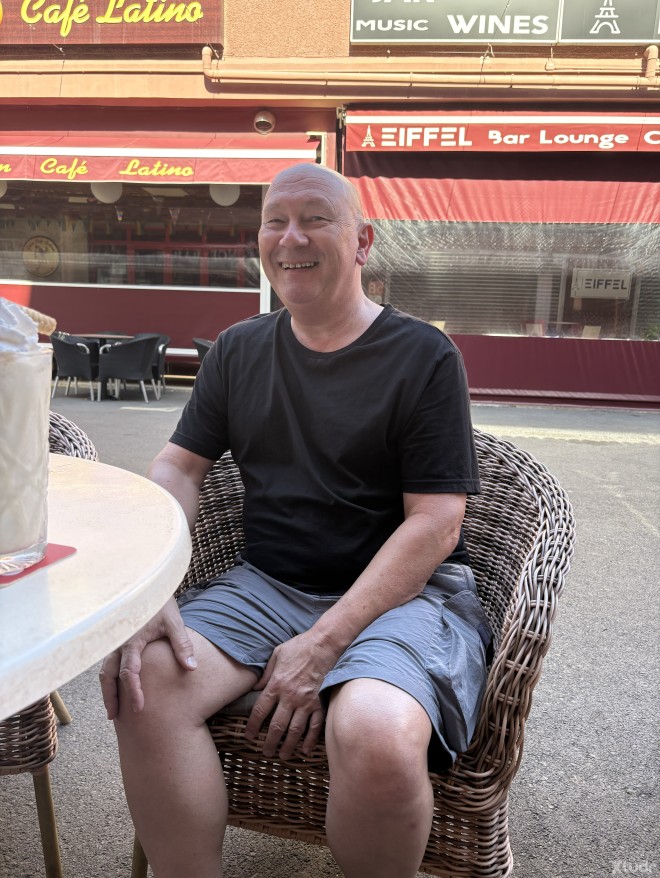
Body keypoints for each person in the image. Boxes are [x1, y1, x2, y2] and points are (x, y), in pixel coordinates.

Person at [100, 163, 492, 878]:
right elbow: (178, 468)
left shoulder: (424, 356)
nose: (291, 238)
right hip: (268, 584)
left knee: (375, 731)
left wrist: (324, 642)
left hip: (401, 598)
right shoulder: (239, 349)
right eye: (275, 221)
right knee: (144, 684)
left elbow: (436, 524)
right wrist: (153, 585)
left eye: (315, 219)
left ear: (362, 242)